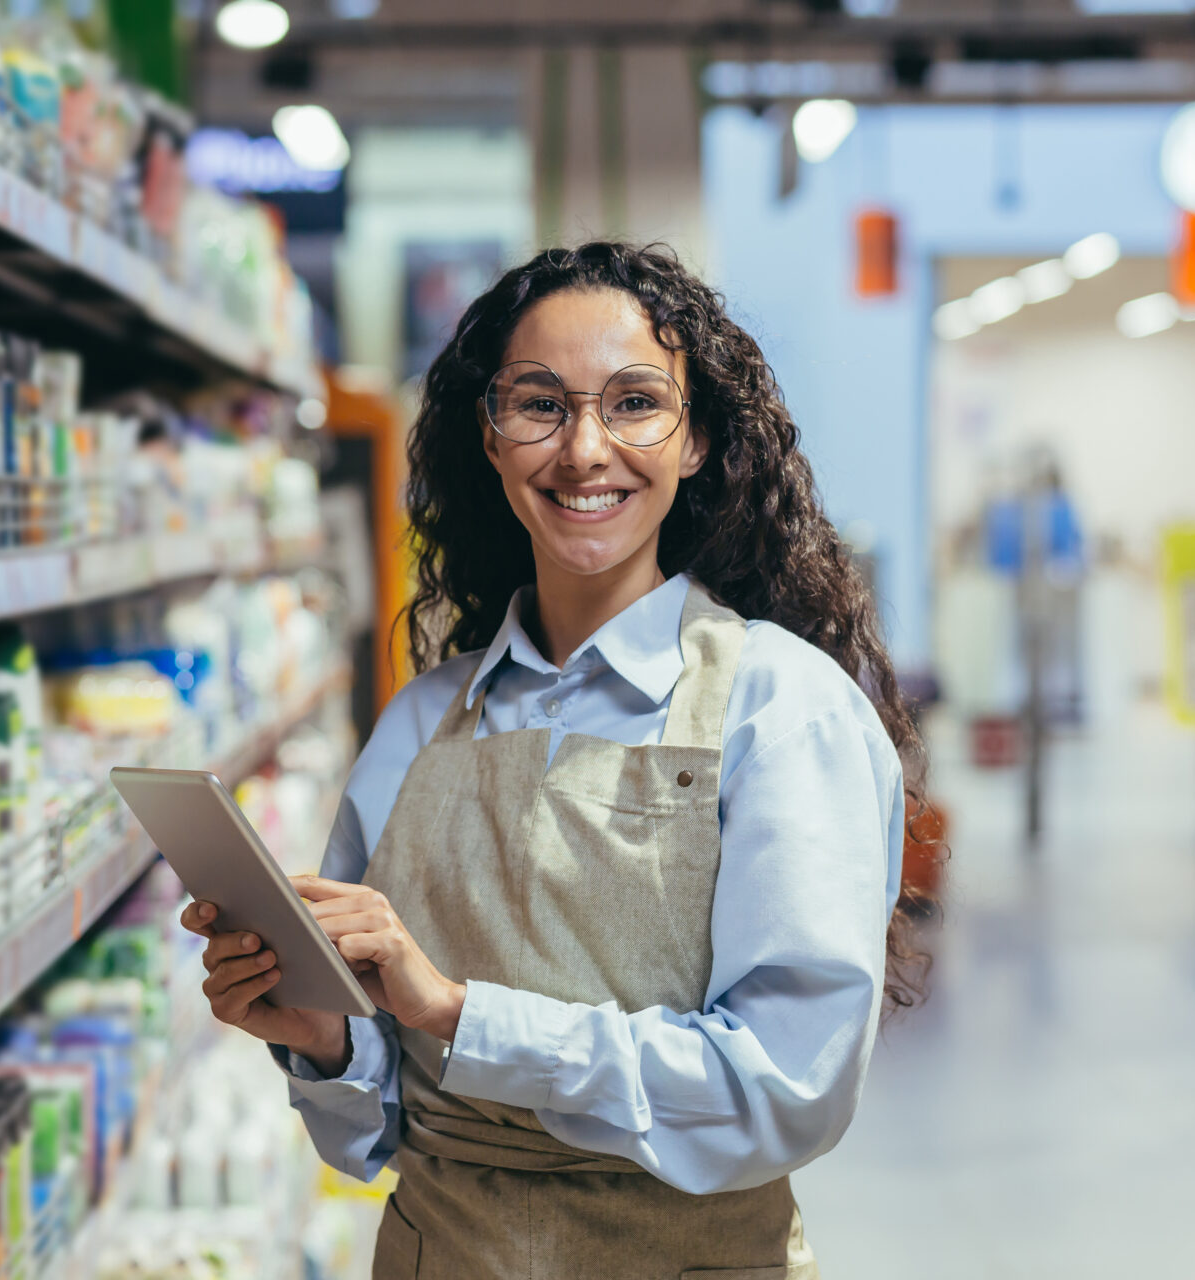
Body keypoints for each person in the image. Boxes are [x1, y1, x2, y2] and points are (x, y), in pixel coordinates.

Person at [180, 242, 930, 1278]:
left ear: (698, 438)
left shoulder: (781, 709)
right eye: (539, 404)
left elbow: (785, 1087)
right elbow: (370, 1133)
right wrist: (321, 1037)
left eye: (634, 403)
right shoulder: (419, 724)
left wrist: (456, 1012)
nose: (584, 449)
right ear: (489, 439)